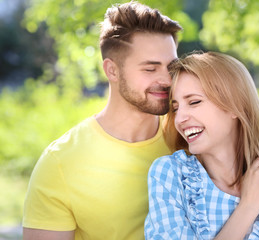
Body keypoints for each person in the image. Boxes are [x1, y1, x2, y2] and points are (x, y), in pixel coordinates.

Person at [22, 2, 182, 240]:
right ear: (112, 71)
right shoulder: (60, 163)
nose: (167, 80)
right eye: (150, 69)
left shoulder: (189, 139)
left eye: (171, 67)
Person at [145, 51, 259, 239]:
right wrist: (248, 207)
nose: (179, 119)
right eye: (175, 108)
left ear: (235, 106)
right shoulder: (170, 176)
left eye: (194, 102)